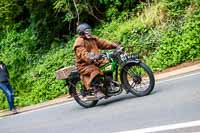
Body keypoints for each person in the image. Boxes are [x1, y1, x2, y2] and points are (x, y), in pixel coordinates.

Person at [73, 23, 120, 100]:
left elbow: (103, 43)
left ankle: (108, 83)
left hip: (95, 61)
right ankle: (96, 90)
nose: (89, 33)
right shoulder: (79, 42)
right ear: (81, 32)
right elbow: (83, 54)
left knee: (108, 65)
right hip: (84, 65)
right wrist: (92, 56)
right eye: (87, 31)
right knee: (95, 71)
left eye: (89, 31)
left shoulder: (92, 39)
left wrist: (115, 45)